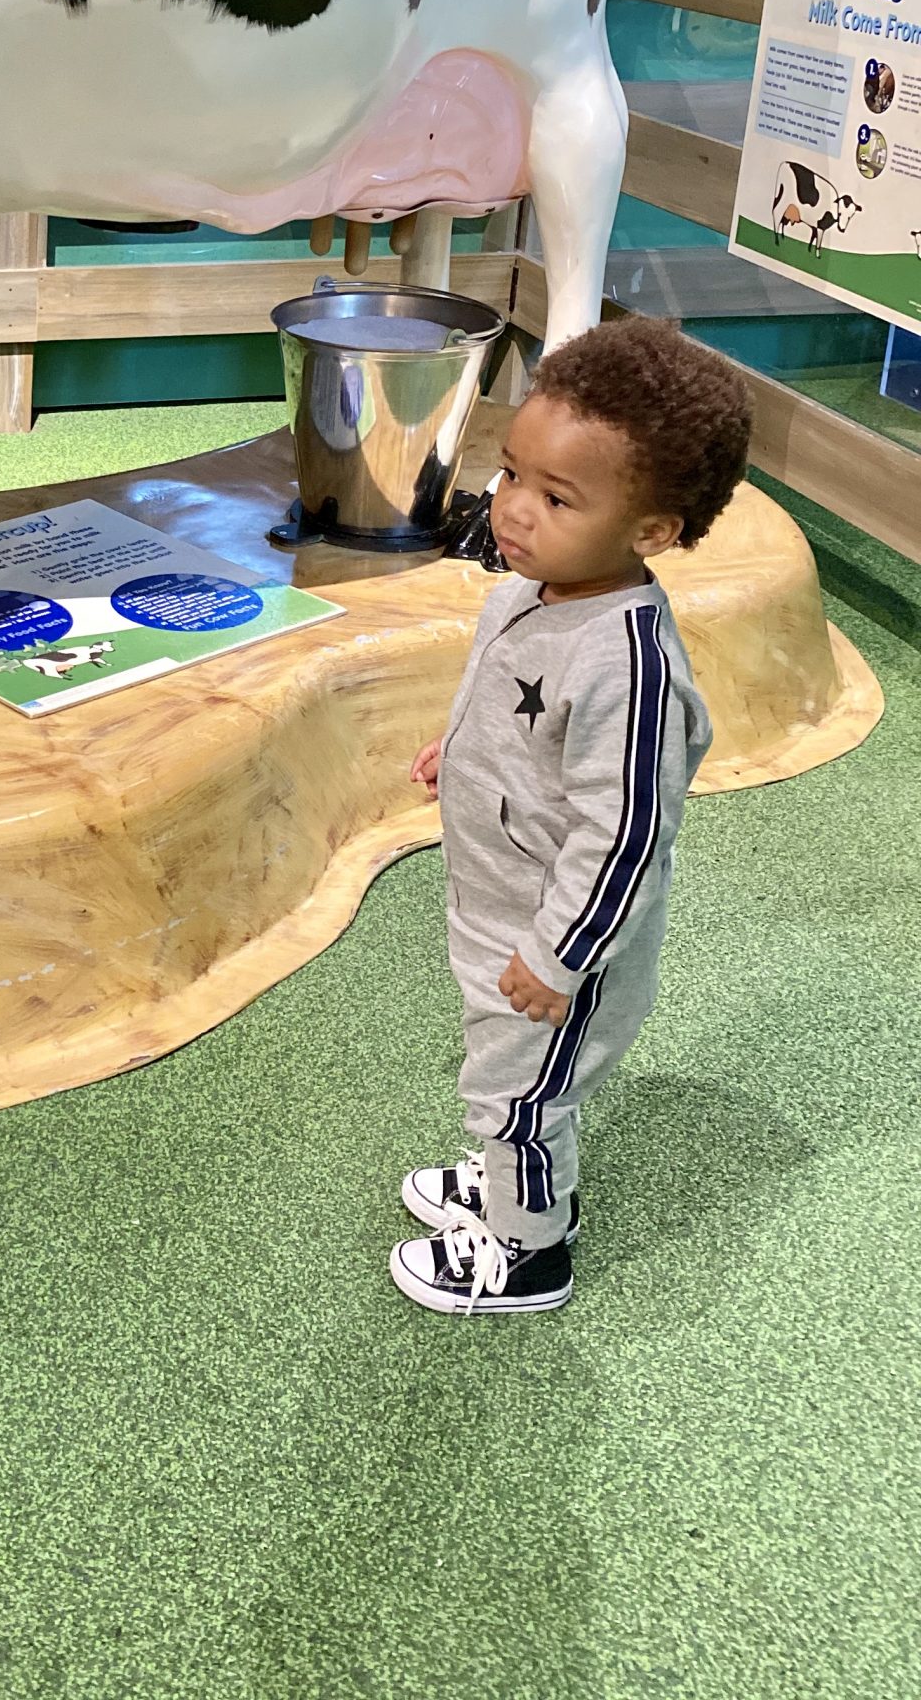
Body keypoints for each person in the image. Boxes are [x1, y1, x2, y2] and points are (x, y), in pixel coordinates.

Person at [394, 321, 753, 1314]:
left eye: (557, 498)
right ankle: (515, 1180)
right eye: (512, 472)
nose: (512, 507)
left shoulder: (628, 666)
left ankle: (528, 1250)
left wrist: (561, 958)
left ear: (652, 532)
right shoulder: (533, 591)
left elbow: (627, 834)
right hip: (500, 908)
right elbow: (523, 718)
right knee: (507, 1080)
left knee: (520, 1094)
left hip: (558, 950)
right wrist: (462, 750)